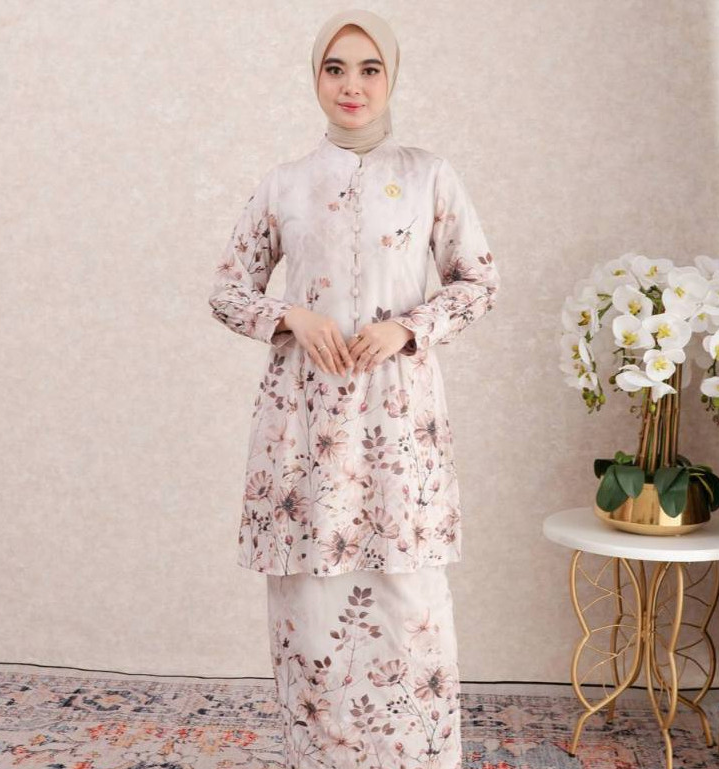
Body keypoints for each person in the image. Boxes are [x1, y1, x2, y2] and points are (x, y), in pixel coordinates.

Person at [208, 8, 500, 767]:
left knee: (408, 597)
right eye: (334, 68)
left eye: (369, 69)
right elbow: (228, 290)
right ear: (315, 78)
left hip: (397, 421)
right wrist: (291, 316)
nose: (352, 85)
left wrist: (409, 328)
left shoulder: (429, 174)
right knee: (310, 601)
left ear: (391, 76)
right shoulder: (285, 183)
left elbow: (478, 281)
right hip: (304, 421)